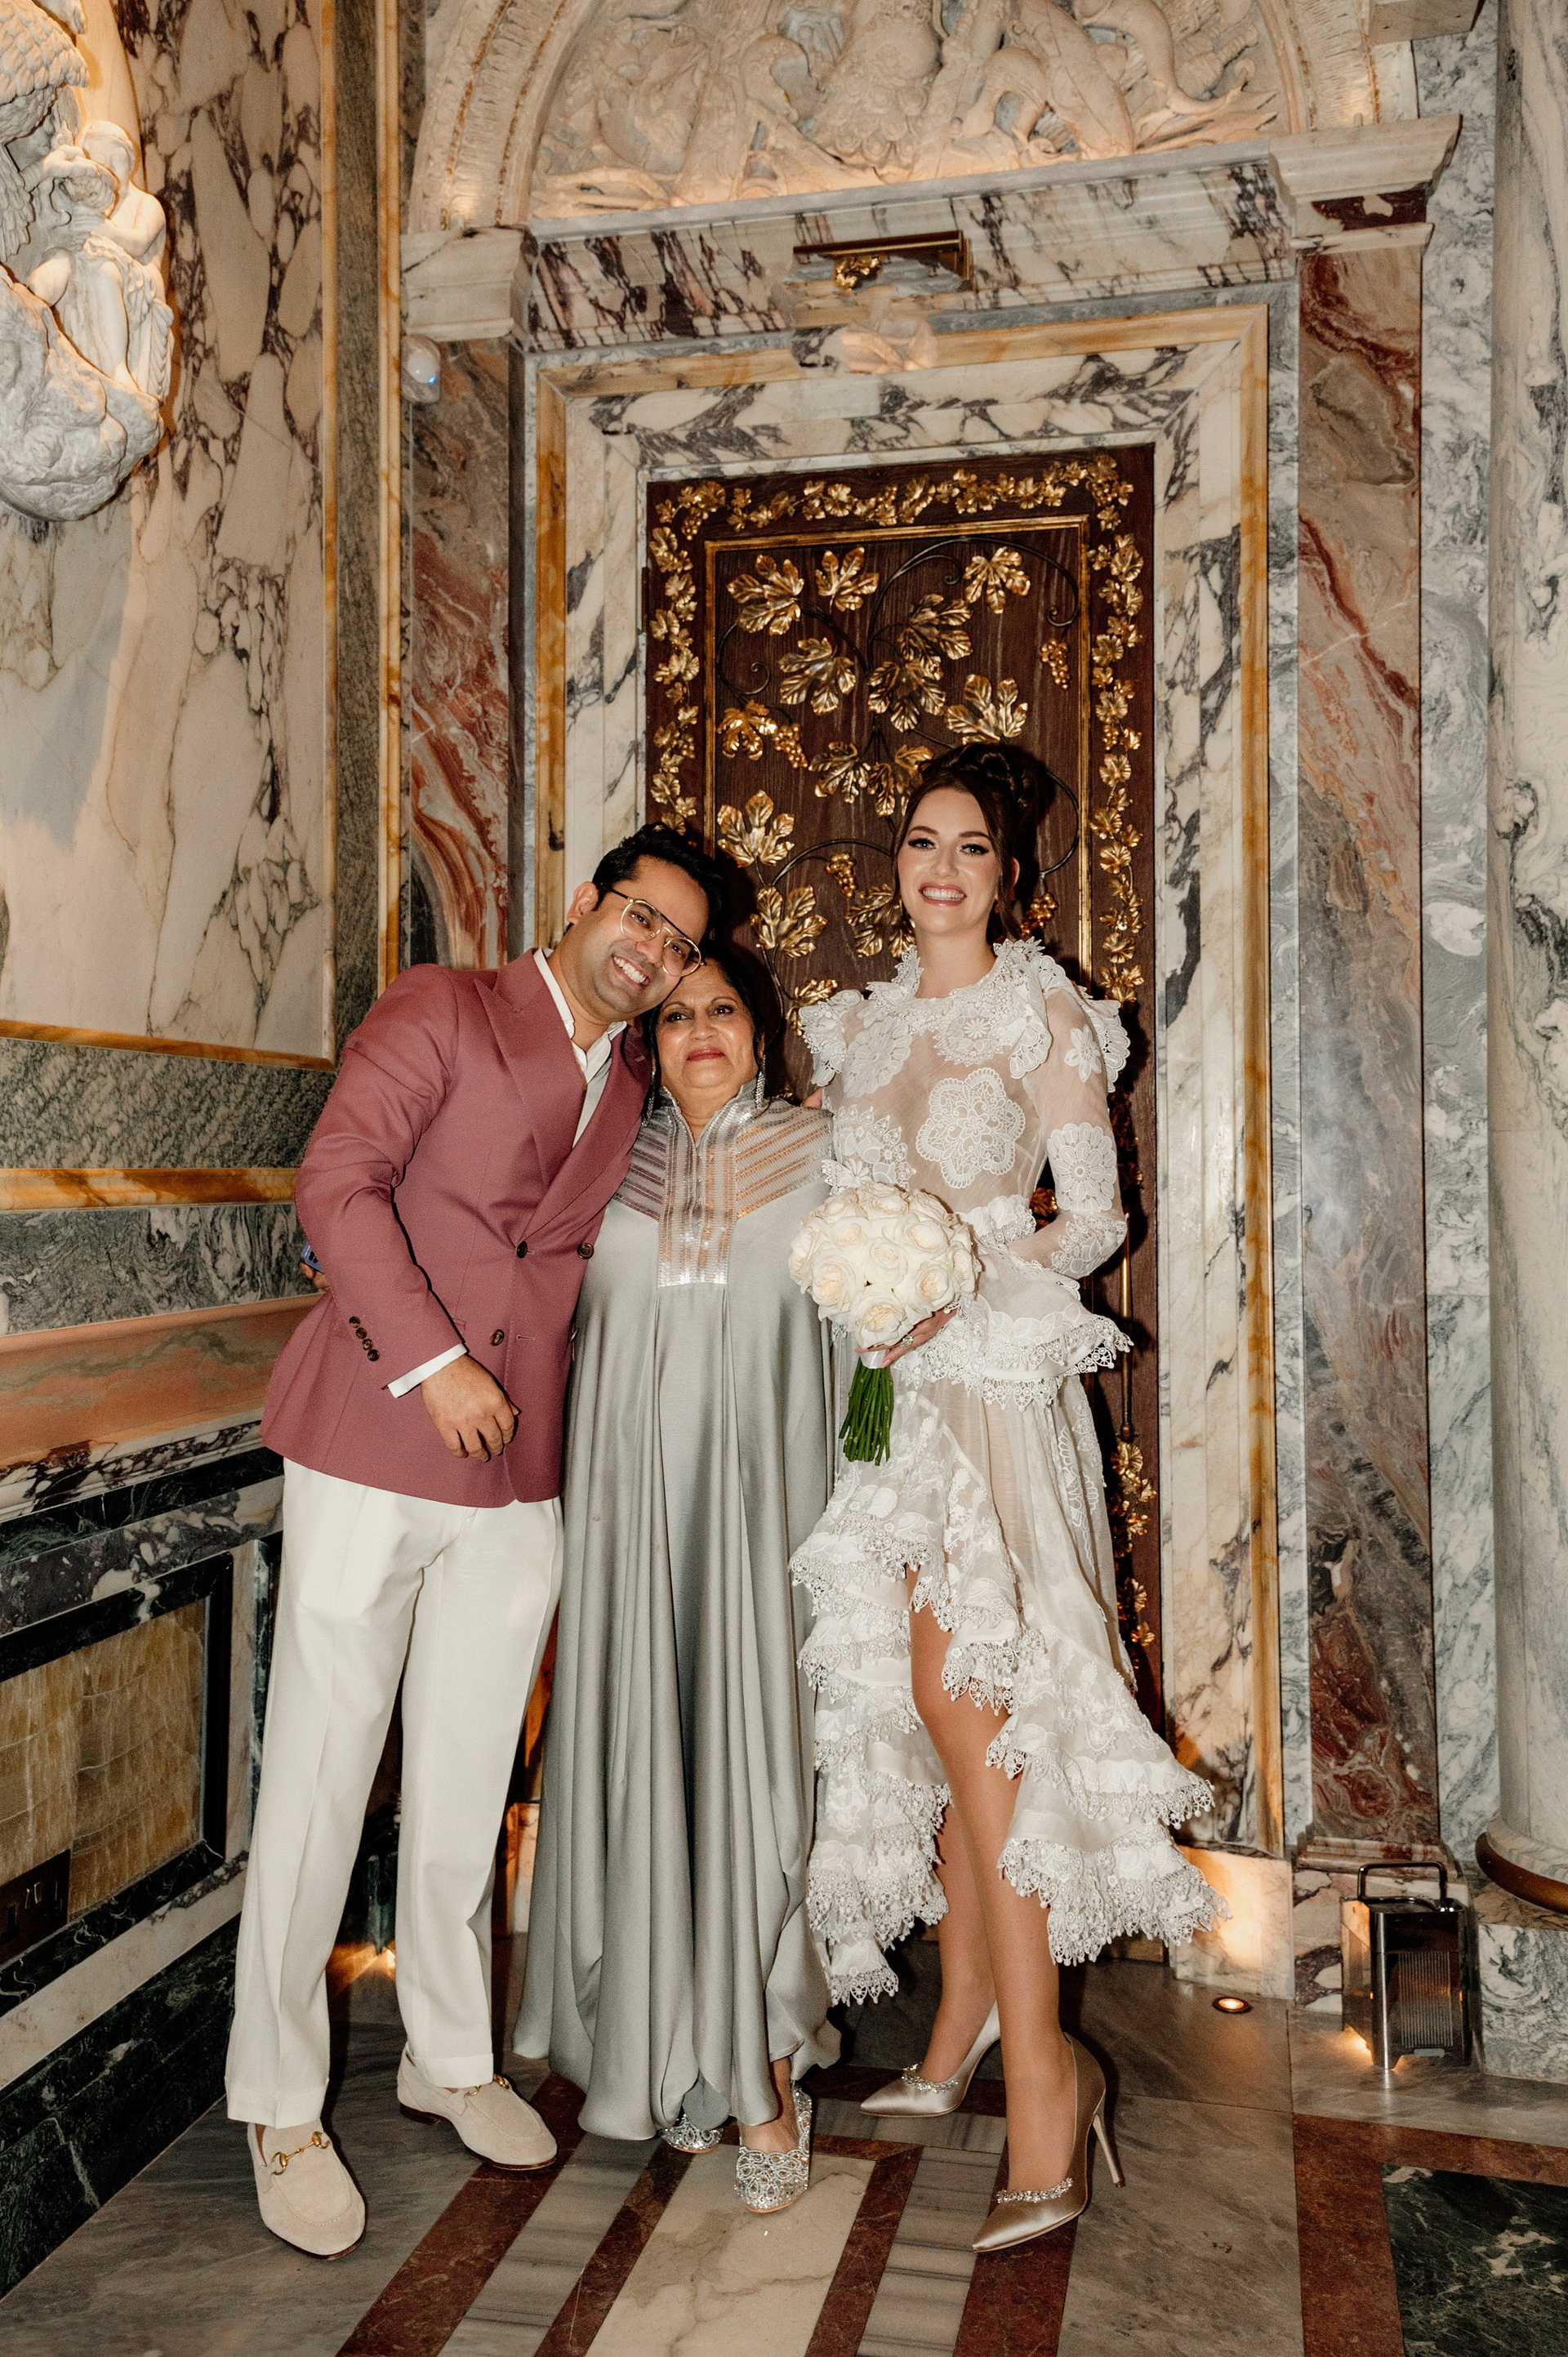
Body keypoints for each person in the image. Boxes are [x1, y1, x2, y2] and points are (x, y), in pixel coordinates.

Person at [226, 825, 726, 2259]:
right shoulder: (442, 1006)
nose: (651, 948)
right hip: (375, 1434)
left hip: (520, 1471)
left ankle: (446, 2057)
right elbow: (337, 1183)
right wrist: (433, 1362)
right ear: (582, 903)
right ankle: (278, 2102)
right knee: (320, 1778)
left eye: (679, 940)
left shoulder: (633, 1084)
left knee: (464, 1782)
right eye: (639, 914)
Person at [791, 745, 1225, 2254]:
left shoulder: (1045, 1012)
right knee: (932, 1716)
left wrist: (958, 1275)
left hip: (989, 1382)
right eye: (922, 841)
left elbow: (1096, 1217)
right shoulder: (854, 1028)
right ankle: (962, 2017)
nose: (942, 868)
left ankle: (1050, 2077)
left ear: (1008, 874)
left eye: (971, 847)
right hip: (880, 1395)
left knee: (974, 1700)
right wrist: (864, 1291)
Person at [517, 951, 838, 2214]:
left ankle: (761, 2070)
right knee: (642, 1759)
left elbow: (862, 1347)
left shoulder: (825, 1155)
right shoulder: (607, 1161)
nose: (701, 1028)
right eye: (677, 1013)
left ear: (761, 1031)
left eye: (724, 1009)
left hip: (766, 1526)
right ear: (647, 1040)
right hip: (627, 1530)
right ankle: (661, 2051)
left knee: (756, 1777)